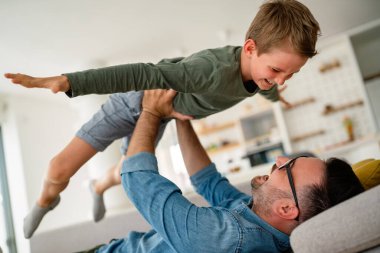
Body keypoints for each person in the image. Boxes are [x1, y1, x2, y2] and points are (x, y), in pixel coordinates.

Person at [4, 0, 321, 238]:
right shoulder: (207, 71)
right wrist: (70, 82)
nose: (281, 78)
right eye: (278, 71)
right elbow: (143, 73)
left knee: (124, 170)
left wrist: (274, 94)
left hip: (160, 117)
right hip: (135, 103)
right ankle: (46, 201)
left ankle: (98, 188)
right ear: (250, 48)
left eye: (290, 74)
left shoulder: (257, 74)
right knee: (59, 169)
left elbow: (258, 85)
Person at [81, 89, 364, 253]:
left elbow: (138, 180)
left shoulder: (231, 240)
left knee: (128, 155)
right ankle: (98, 186)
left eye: (287, 167)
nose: (278, 159)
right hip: (120, 246)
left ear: (288, 208)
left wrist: (152, 111)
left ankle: (97, 187)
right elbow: (207, 180)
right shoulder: (257, 217)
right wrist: (182, 118)